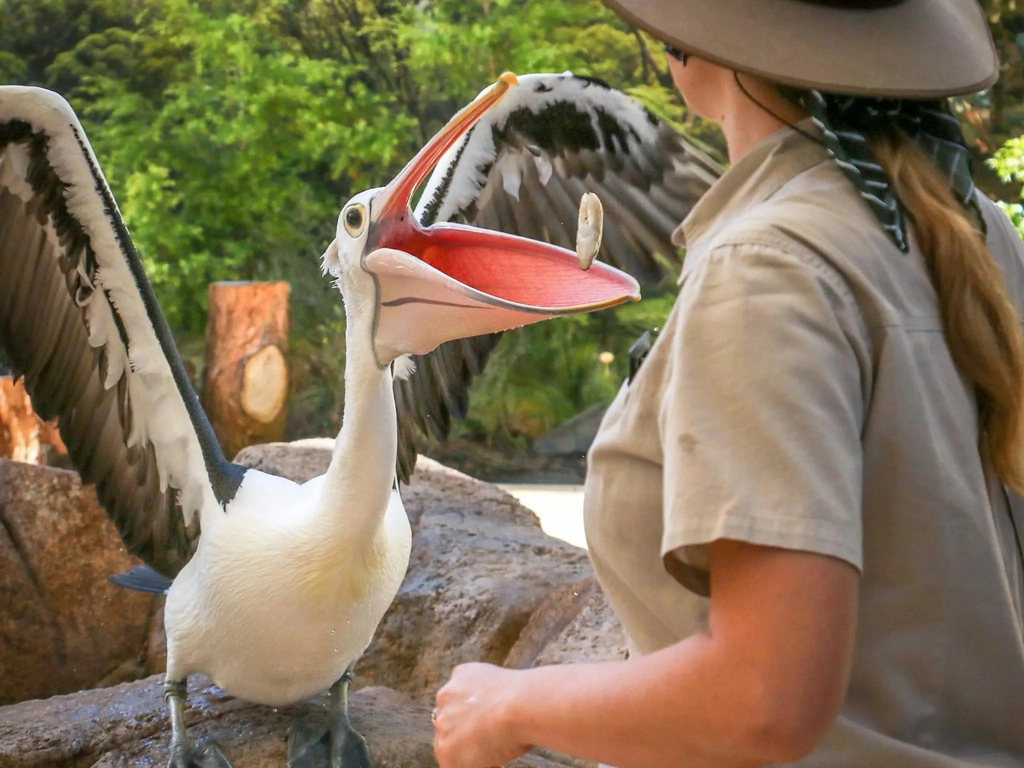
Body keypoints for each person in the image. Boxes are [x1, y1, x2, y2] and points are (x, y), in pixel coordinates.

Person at [431, 1, 1024, 766]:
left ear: (690, 46)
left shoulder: (768, 267)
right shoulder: (976, 225)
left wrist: (509, 704)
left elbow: (764, 701)